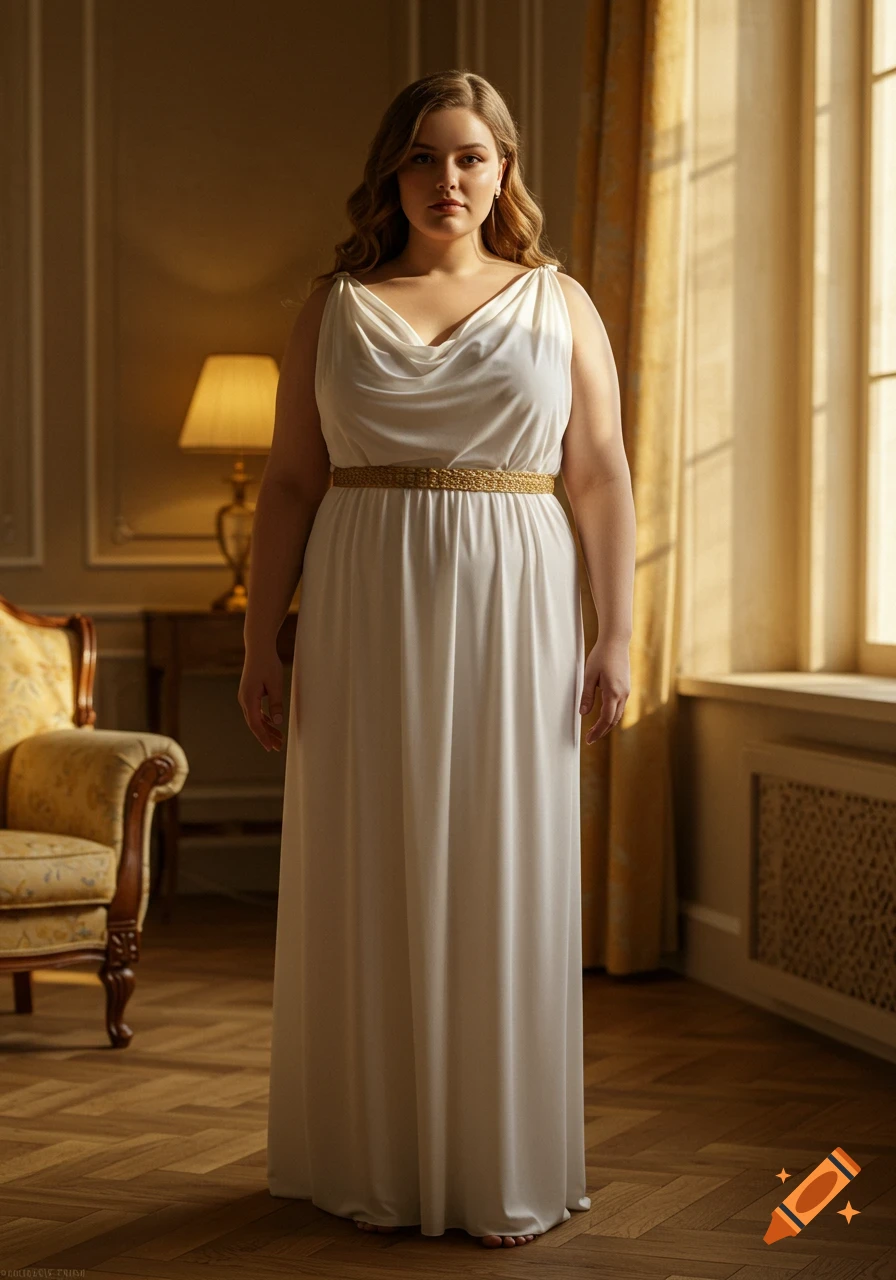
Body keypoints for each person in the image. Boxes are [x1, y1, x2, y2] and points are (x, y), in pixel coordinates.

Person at [238, 69, 635, 1250]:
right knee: (371, 848)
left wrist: (615, 629)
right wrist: (263, 636)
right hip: (361, 602)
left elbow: (600, 470)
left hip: (516, 600)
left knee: (499, 855)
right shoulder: (334, 305)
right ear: (390, 171)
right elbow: (292, 482)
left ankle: (493, 1159)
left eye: (468, 157)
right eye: (422, 157)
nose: (446, 179)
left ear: (503, 170)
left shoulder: (557, 303)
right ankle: (368, 1149)